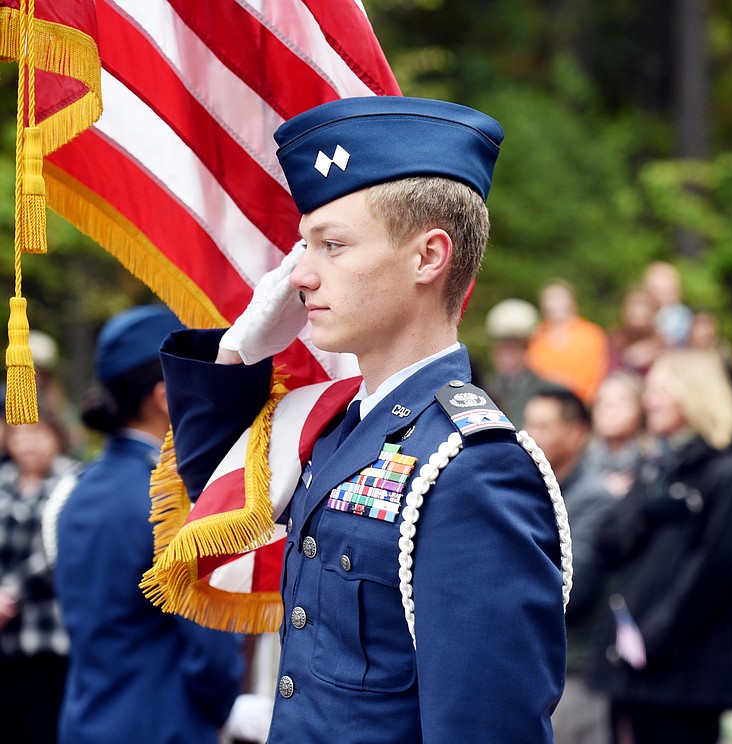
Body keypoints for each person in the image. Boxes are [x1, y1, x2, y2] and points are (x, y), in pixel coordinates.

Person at [154, 97, 568, 742]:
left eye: (333, 246)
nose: (302, 277)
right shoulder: (340, 425)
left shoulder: (472, 467)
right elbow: (219, 493)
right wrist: (238, 353)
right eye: (304, 246)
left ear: (428, 258)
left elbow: (486, 724)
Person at [49, 306, 260, 743]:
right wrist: (225, 710)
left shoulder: (80, 486)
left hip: (85, 721)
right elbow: (210, 648)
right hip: (165, 725)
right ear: (166, 398)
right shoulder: (167, 499)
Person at [591, 348, 732, 744]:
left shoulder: (725, 470)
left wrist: (656, 635)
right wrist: (646, 509)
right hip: (633, 654)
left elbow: (712, 568)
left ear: (694, 393)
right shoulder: (658, 463)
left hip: (687, 664)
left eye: (661, 391)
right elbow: (608, 542)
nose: (650, 401)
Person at [524, 387, 615, 744]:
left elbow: (571, 588)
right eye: (528, 423)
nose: (530, 435)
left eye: (544, 426)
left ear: (577, 433)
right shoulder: (531, 488)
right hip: (534, 661)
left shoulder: (596, 497)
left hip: (574, 666)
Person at [0, 405, 76, 744]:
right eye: (17, 434)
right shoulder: (3, 482)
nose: (25, 444)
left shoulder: (71, 481)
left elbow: (55, 548)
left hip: (47, 634)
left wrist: (9, 594)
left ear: (56, 436)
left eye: (36, 433)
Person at [527, 280, 610, 403]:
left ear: (573, 302)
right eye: (551, 298)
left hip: (578, 403)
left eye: (560, 297)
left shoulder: (591, 335)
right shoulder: (535, 337)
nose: (556, 304)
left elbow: (596, 376)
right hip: (542, 402)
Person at [584, 371, 655, 499]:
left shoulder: (654, 455)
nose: (608, 408)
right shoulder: (580, 456)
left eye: (622, 400)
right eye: (601, 401)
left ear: (641, 408)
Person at [480, 297, 548, 423]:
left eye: (512, 348)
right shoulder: (483, 389)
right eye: (500, 348)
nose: (504, 356)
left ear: (526, 349)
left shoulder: (547, 391)